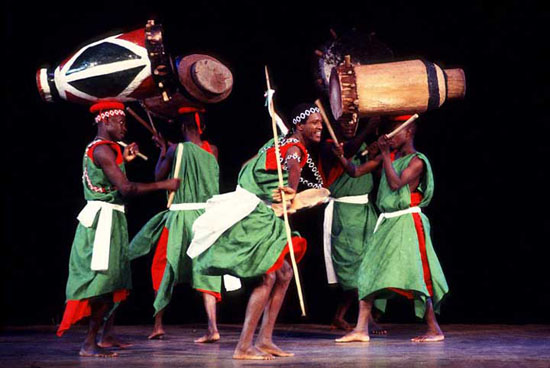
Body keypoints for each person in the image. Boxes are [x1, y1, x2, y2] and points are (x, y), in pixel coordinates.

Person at [187, 103, 323, 360]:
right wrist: (292, 192)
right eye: (314, 123)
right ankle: (244, 346)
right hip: (258, 215)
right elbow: (293, 170)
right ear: (299, 126)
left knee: (283, 273)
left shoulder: (274, 144)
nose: (319, 127)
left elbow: (247, 167)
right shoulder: (294, 149)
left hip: (259, 210)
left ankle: (265, 339)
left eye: (320, 123)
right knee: (268, 276)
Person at [56, 101, 180, 357]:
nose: (124, 128)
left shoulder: (106, 150)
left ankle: (104, 336)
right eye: (120, 122)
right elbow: (127, 189)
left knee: (114, 281)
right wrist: (164, 185)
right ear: (105, 121)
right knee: (105, 282)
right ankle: (89, 343)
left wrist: (125, 159)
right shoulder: (102, 150)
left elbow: (109, 181)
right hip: (102, 223)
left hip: (110, 220)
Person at [335, 116, 449, 343]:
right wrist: (341, 158)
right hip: (387, 221)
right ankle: (360, 329)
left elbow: (397, 184)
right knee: (369, 270)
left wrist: (385, 155)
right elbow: (355, 172)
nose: (389, 138)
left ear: (408, 133)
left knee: (415, 276)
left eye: (394, 133)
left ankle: (434, 328)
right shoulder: (390, 158)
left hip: (407, 222)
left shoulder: (417, 161)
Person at [130, 106, 235, 342]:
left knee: (163, 266)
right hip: (206, 217)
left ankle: (158, 324)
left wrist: (163, 150)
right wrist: (168, 148)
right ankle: (213, 327)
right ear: (201, 127)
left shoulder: (176, 150)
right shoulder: (213, 150)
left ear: (183, 127)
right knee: (207, 268)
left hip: (179, 218)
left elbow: (159, 177)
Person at [319, 115, 385, 334]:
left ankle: (341, 317)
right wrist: (369, 128)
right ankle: (363, 320)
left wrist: (374, 154)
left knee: (369, 263)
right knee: (353, 268)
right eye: (345, 121)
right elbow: (348, 155)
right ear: (336, 123)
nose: (350, 126)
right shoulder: (330, 147)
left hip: (365, 211)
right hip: (345, 214)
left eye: (354, 122)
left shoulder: (362, 145)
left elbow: (372, 172)